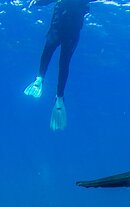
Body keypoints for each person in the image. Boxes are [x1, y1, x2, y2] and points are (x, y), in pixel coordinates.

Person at [24, 0, 98, 131]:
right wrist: (37, 2)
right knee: (60, 61)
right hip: (66, 32)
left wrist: (37, 3)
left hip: (62, 30)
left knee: (57, 58)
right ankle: (49, 88)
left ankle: (52, 90)